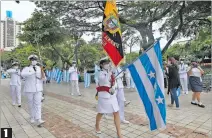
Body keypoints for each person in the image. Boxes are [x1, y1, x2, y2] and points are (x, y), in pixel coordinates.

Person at [95, 57, 123, 138]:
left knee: (116, 112)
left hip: (112, 96)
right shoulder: (100, 73)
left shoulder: (111, 72)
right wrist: (110, 72)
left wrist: (114, 87)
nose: (107, 64)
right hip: (103, 97)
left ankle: (119, 134)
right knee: (101, 112)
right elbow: (103, 81)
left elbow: (114, 83)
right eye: (105, 63)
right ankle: (96, 125)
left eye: (108, 62)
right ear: (101, 65)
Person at [21, 54, 45, 127]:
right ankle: (32, 117)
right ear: (30, 61)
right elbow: (22, 74)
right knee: (31, 104)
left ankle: (39, 119)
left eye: (35, 60)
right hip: (29, 89)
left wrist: (43, 74)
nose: (34, 61)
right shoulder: (26, 68)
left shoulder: (40, 68)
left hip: (38, 89)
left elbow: (44, 78)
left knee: (38, 104)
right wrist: (32, 72)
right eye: (32, 60)